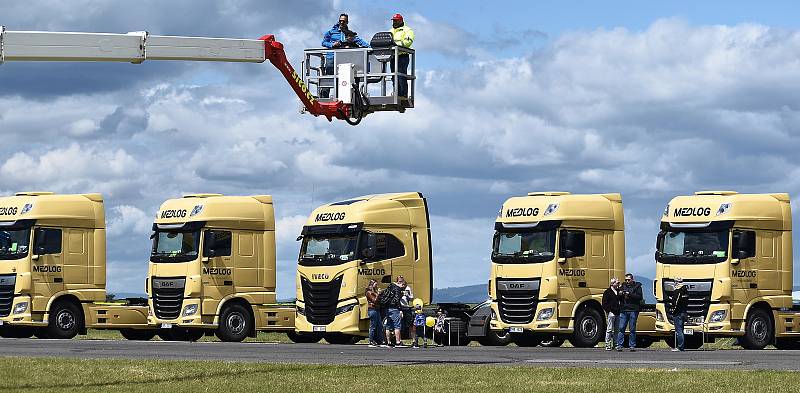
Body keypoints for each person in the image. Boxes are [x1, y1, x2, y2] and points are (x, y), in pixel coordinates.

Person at [320, 13, 369, 98]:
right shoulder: (331, 32)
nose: (342, 22)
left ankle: (341, 97)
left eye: (344, 21)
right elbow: (323, 43)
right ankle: (324, 96)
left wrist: (371, 47)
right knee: (329, 76)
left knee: (343, 78)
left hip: (344, 59)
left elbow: (359, 41)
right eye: (340, 21)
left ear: (347, 22)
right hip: (332, 57)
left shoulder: (348, 33)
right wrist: (332, 45)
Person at [616, 273, 643, 351]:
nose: (627, 281)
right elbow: (618, 296)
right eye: (626, 280)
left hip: (633, 310)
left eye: (628, 280)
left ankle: (632, 345)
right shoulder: (622, 286)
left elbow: (640, 297)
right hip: (624, 310)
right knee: (621, 328)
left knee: (632, 329)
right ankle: (619, 345)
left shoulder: (638, 286)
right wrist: (620, 294)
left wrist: (630, 294)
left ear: (632, 279)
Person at [389, 13, 414, 98]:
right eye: (393, 21)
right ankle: (396, 93)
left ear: (401, 21)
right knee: (393, 76)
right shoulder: (391, 30)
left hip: (402, 56)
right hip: (393, 56)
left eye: (396, 20)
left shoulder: (407, 30)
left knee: (401, 76)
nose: (394, 22)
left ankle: (403, 95)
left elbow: (407, 42)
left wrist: (395, 44)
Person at [668, 277, 690, 352]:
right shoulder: (686, 291)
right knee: (681, 329)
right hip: (684, 312)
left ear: (677, 282)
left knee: (679, 330)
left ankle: (680, 347)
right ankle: (681, 346)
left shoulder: (678, 291)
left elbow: (675, 303)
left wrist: (673, 310)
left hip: (678, 313)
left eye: (675, 282)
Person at [383, 277, 405, 347]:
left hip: (387, 308)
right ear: (400, 283)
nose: (403, 287)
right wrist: (400, 309)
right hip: (395, 308)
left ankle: (389, 342)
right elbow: (397, 299)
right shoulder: (397, 288)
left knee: (388, 326)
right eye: (403, 285)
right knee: (397, 326)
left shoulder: (390, 286)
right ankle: (398, 342)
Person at [602, 278, 622, 350]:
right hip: (611, 313)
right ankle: (607, 344)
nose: (618, 284)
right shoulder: (607, 292)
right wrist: (609, 311)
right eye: (617, 283)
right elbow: (604, 303)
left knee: (617, 330)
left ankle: (615, 344)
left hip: (617, 312)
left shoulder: (618, 292)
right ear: (612, 284)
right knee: (609, 329)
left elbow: (621, 301)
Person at [397, 276, 415, 346]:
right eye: (399, 281)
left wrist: (408, 295)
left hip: (407, 308)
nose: (401, 283)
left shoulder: (408, 288)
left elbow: (411, 298)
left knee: (411, 324)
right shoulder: (397, 288)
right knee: (399, 325)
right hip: (400, 308)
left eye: (402, 281)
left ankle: (414, 341)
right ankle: (399, 340)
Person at [365, 279, 383, 347]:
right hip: (372, 309)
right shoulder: (369, 292)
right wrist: (378, 294)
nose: (377, 285)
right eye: (375, 284)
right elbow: (374, 301)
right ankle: (371, 341)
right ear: (372, 284)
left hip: (377, 309)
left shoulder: (374, 291)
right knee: (373, 326)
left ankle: (380, 341)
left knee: (379, 326)